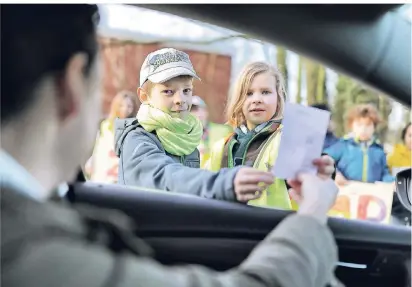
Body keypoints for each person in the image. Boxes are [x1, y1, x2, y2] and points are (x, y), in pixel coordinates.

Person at [1, 5, 341, 287]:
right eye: (98, 87)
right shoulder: (38, 255)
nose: (180, 100)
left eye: (186, 90)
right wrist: (312, 213)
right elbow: (169, 178)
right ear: (72, 85)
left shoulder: (194, 136)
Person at [206, 62, 336, 210]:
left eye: (265, 92)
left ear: (279, 98)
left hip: (270, 227)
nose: (257, 99)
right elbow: (205, 186)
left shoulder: (286, 141)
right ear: (238, 100)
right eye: (248, 93)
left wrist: (322, 171)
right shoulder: (221, 146)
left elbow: (309, 175)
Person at [325, 104, 394, 185]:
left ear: (374, 127)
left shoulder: (379, 150)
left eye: (368, 125)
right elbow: (325, 158)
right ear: (352, 126)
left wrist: (392, 182)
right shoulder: (344, 145)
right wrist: (335, 174)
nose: (363, 129)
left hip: (372, 193)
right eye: (359, 125)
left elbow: (384, 174)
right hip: (346, 191)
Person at [85, 90, 137, 183]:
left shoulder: (135, 128)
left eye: (129, 106)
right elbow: (98, 146)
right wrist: (91, 161)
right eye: (121, 105)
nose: (125, 109)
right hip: (103, 172)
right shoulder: (105, 125)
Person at [190, 95, 233, 168]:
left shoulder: (224, 130)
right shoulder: (184, 137)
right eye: (192, 110)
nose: (196, 114)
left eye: (198, 109)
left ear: (206, 111)